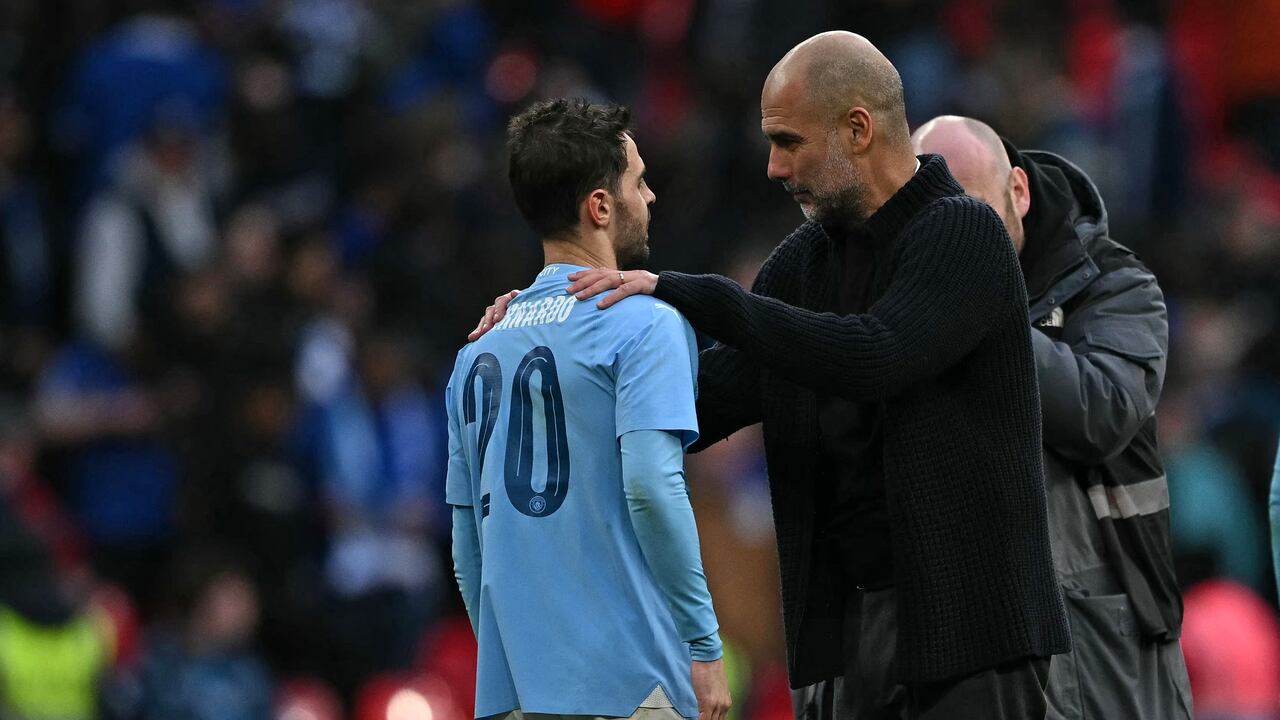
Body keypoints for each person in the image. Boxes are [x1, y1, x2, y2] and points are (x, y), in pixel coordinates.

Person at [474, 33, 1068, 720]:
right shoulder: (803, 265)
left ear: (857, 129)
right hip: (846, 643)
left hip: (972, 643)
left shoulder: (962, 233)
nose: (773, 167)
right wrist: (543, 344)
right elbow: (702, 400)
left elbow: (874, 356)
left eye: (789, 142)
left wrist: (686, 291)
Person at [446, 99, 731, 720]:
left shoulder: (475, 353)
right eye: (639, 181)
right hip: (633, 685)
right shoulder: (643, 324)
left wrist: (516, 656)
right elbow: (653, 488)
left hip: (514, 694)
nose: (650, 197)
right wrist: (705, 646)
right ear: (600, 206)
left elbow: (469, 548)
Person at [911, 115, 1194, 719]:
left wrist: (980, 308)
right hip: (971, 641)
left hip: (1108, 643)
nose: (955, 238)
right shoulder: (912, 297)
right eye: (934, 219)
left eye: (973, 211)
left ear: (1018, 190)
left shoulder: (1116, 286)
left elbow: (1101, 412)